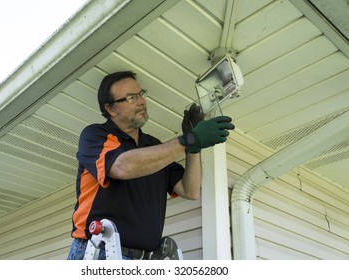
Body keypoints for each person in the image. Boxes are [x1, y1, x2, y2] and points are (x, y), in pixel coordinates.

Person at [67, 71, 235, 260]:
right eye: (131, 97)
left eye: (141, 94)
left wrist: (193, 148)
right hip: (98, 253)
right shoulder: (95, 135)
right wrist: (187, 141)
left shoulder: (154, 147)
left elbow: (191, 190)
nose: (141, 101)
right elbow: (122, 167)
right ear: (111, 108)